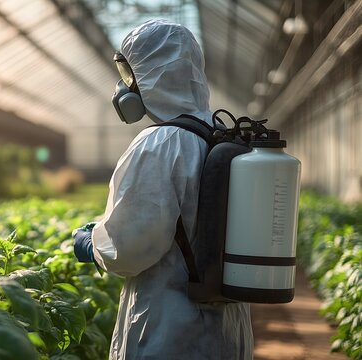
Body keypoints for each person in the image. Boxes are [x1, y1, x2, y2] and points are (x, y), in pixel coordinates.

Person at [72, 19, 254, 359]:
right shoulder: (220, 135)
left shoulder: (161, 143)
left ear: (152, 76)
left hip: (170, 329)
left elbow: (130, 247)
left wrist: (93, 244)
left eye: (130, 76)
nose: (127, 87)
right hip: (226, 326)